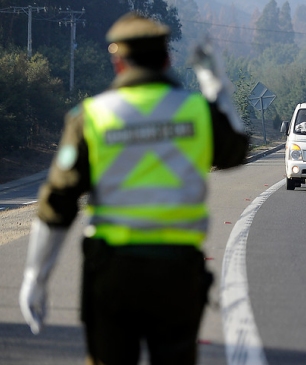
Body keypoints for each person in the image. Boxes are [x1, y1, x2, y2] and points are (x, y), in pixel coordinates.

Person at [18, 12, 249, 365]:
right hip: (177, 274)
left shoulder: (92, 116)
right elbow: (236, 151)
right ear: (167, 60)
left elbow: (58, 202)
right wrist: (217, 87)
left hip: (113, 272)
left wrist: (36, 276)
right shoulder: (198, 113)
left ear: (118, 63)